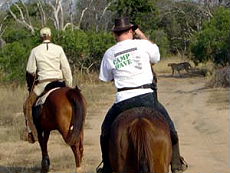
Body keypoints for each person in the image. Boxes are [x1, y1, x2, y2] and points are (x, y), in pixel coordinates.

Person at [97, 17, 188, 173]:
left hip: (123, 101)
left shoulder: (110, 53)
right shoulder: (143, 45)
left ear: (115, 34)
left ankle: (107, 166)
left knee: (105, 130)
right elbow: (156, 56)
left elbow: (105, 78)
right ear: (132, 31)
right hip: (147, 97)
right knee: (170, 127)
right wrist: (141, 34)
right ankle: (176, 162)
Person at [23, 27, 73, 143]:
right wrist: (69, 86)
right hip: (59, 82)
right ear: (51, 36)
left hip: (43, 84)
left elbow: (30, 71)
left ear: (41, 37)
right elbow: (66, 69)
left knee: (27, 106)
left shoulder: (35, 50)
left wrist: (31, 87)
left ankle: (32, 133)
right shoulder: (59, 49)